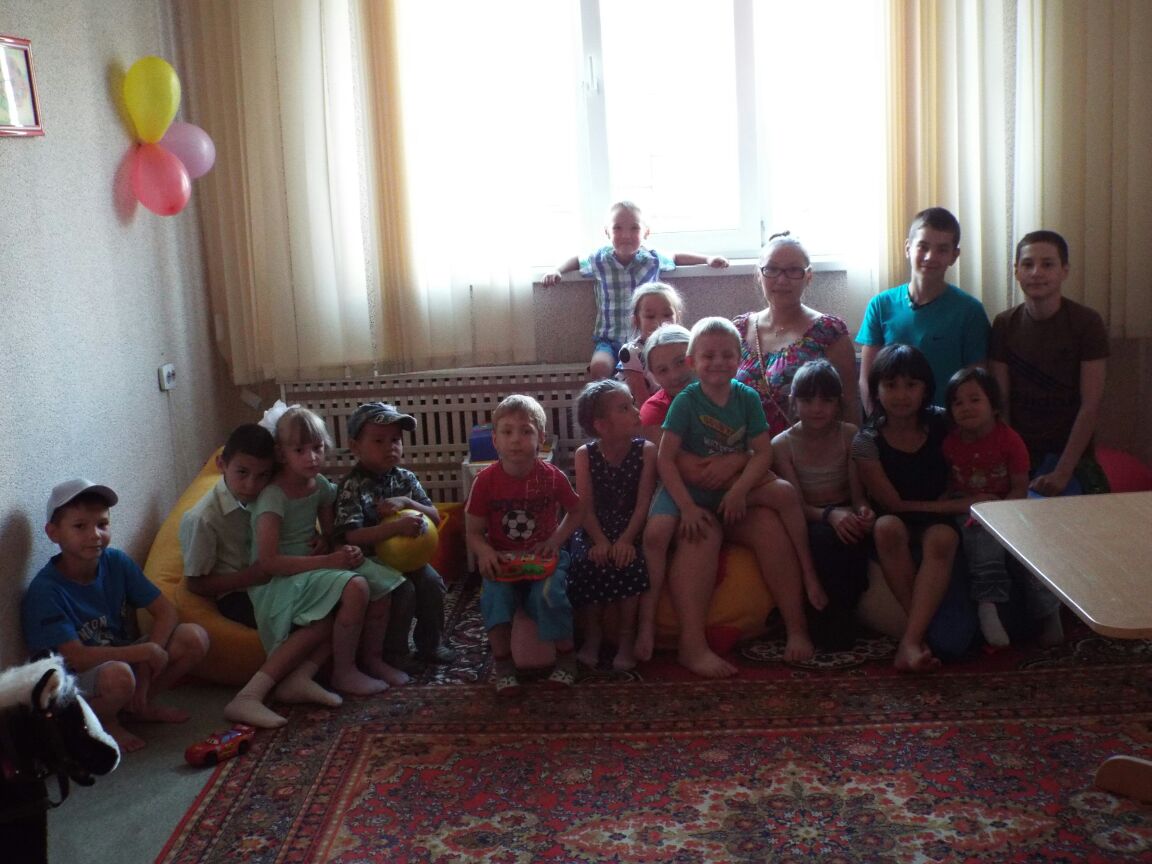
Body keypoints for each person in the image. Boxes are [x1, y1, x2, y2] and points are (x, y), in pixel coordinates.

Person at [657, 316, 819, 670]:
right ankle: (692, 645)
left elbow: (762, 452)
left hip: (735, 493)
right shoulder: (683, 402)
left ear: (739, 358)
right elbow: (664, 458)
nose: (718, 362)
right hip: (697, 499)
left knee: (772, 524)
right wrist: (686, 506)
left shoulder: (746, 397)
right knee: (699, 536)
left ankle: (797, 626)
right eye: (708, 356)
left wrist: (740, 488)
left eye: (727, 355)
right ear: (694, 361)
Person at [23, 480, 209, 753]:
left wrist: (145, 668)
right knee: (118, 675)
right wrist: (143, 653)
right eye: (80, 526)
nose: (95, 535)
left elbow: (166, 611)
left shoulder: (116, 562)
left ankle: (138, 705)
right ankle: (103, 722)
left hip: (121, 660)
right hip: (75, 682)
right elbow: (76, 657)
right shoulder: (45, 591)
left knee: (194, 637)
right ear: (53, 533)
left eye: (102, 524)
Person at [181, 424, 341, 729]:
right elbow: (195, 584)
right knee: (318, 618)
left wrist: (320, 538)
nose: (251, 485)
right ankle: (249, 696)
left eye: (262, 475)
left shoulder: (269, 495)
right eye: (242, 473)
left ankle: (300, 677)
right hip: (239, 592)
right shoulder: (202, 518)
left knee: (340, 599)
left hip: (276, 578)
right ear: (221, 464)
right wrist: (250, 576)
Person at [251, 405, 408, 696]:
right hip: (282, 579)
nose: (312, 457)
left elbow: (333, 535)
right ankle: (344, 671)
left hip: (317, 564)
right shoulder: (274, 496)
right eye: (300, 450)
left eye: (317, 448)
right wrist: (330, 559)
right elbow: (269, 563)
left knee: (382, 582)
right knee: (357, 586)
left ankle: (373, 659)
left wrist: (342, 550)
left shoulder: (321, 486)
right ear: (281, 454)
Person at [852, 344, 979, 672]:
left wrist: (955, 501)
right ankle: (917, 637)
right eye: (891, 385)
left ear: (925, 388)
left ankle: (910, 641)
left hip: (937, 521)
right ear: (876, 390)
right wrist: (947, 505)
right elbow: (894, 504)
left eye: (911, 385)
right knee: (887, 527)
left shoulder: (943, 422)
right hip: (896, 519)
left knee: (943, 538)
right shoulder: (866, 440)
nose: (901, 395)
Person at [465, 395, 583, 695]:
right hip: (502, 560)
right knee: (494, 597)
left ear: (541, 439)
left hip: (545, 557)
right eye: (507, 432)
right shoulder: (485, 481)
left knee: (549, 594)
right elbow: (473, 532)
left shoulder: (552, 477)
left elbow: (577, 511)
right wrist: (485, 552)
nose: (516, 439)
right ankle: (504, 665)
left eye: (526, 431)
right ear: (495, 440)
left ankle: (567, 658)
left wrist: (555, 541)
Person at [541, 200, 729, 379]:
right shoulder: (600, 259)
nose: (626, 235)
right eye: (617, 228)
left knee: (654, 371)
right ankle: (608, 400)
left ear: (646, 232)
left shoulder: (652, 259)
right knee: (599, 367)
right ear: (607, 232)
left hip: (646, 339)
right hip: (609, 339)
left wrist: (707, 259)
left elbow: (676, 257)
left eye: (634, 228)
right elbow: (576, 260)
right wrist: (557, 270)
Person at [940, 367, 1057, 648]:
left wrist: (1003, 515)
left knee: (1032, 548)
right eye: (958, 402)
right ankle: (988, 604)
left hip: (1010, 504)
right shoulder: (950, 444)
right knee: (982, 543)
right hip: (971, 507)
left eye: (974, 399)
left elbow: (1020, 486)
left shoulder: (1010, 440)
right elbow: (948, 486)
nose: (966, 407)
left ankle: (1050, 613)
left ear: (993, 406)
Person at [334, 403, 456, 671]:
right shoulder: (352, 486)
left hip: (409, 559)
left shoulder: (406, 479)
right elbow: (351, 535)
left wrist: (407, 502)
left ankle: (430, 643)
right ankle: (394, 652)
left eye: (396, 440)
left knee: (432, 583)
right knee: (403, 591)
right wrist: (395, 528)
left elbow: (435, 517)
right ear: (355, 446)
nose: (390, 447)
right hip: (371, 563)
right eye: (379, 441)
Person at [989, 230, 1110, 497]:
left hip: (1071, 457)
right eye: (1028, 264)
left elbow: (1090, 405)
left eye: (1047, 264)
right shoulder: (1004, 324)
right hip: (1019, 453)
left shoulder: (1087, 323)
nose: (1036, 273)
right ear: (1016, 271)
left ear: (1064, 271)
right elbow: (1002, 401)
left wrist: (1063, 472)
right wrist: (1012, 464)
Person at [772, 360, 875, 649]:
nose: (817, 408)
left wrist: (863, 512)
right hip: (808, 517)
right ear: (794, 403)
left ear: (838, 403)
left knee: (853, 537)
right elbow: (794, 505)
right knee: (821, 538)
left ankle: (846, 612)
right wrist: (829, 515)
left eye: (826, 401)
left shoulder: (850, 435)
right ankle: (822, 616)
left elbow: (858, 496)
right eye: (807, 400)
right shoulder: (782, 445)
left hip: (844, 511)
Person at [856, 207, 991, 414]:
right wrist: (877, 422)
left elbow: (976, 381)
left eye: (942, 250)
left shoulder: (970, 311)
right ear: (908, 248)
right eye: (923, 247)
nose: (930, 257)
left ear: (954, 256)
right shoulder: (880, 305)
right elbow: (867, 379)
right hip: (891, 424)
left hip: (949, 424)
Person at [568, 380, 657, 671]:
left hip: (631, 526)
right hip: (595, 526)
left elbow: (643, 504)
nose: (635, 411)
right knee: (586, 562)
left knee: (631, 563)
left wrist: (627, 540)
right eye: (624, 408)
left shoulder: (646, 451)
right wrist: (600, 541)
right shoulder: (585, 455)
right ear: (602, 425)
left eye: (632, 404)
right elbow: (585, 507)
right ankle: (593, 635)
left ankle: (626, 638)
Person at [734, 231, 860, 435]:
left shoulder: (829, 333)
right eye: (772, 269)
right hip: (743, 450)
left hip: (807, 450)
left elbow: (850, 404)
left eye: (793, 270)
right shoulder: (738, 330)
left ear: (808, 276)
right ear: (759, 274)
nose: (782, 280)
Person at [617, 282, 685, 405]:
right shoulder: (631, 353)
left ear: (678, 317)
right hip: (642, 408)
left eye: (667, 315)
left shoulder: (683, 347)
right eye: (650, 316)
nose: (659, 321)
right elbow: (642, 400)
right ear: (636, 321)